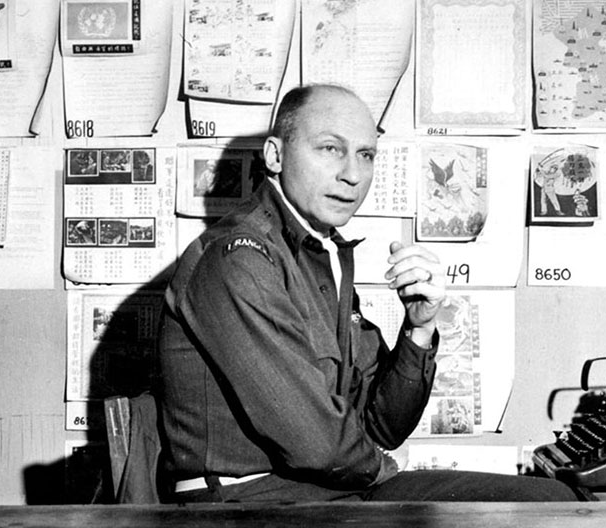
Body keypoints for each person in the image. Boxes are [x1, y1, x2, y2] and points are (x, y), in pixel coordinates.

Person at [158, 84, 575, 503]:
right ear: (275, 155)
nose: (353, 175)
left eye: (366, 155)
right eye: (329, 149)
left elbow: (382, 428)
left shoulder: (320, 253)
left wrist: (420, 328)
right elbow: (319, 445)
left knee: (552, 500)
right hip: (249, 504)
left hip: (318, 492)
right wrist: (387, 473)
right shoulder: (240, 258)